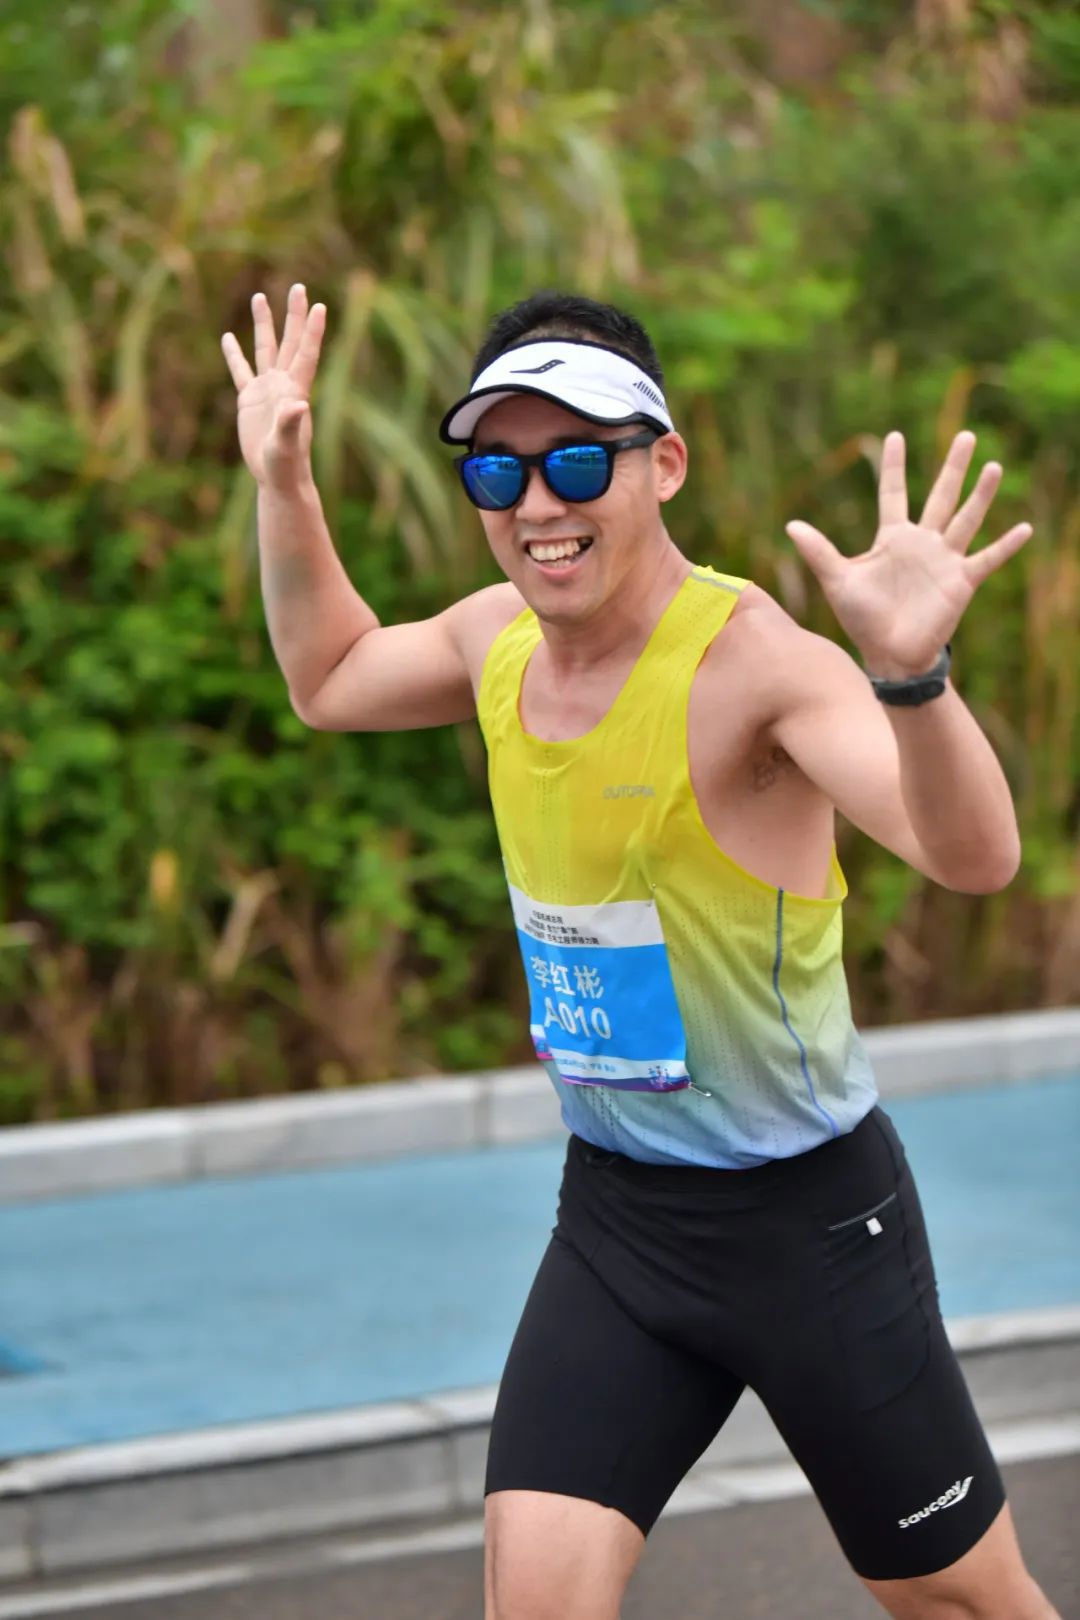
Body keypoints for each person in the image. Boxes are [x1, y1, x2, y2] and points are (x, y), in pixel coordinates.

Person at [222, 284, 1060, 1620]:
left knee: (961, 1604)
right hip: (619, 1226)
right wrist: (285, 484)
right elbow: (329, 680)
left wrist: (912, 680)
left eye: (578, 463)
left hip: (809, 1229)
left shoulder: (757, 667)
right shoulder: (495, 643)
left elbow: (974, 859)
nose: (537, 505)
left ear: (662, 464)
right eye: (499, 470)